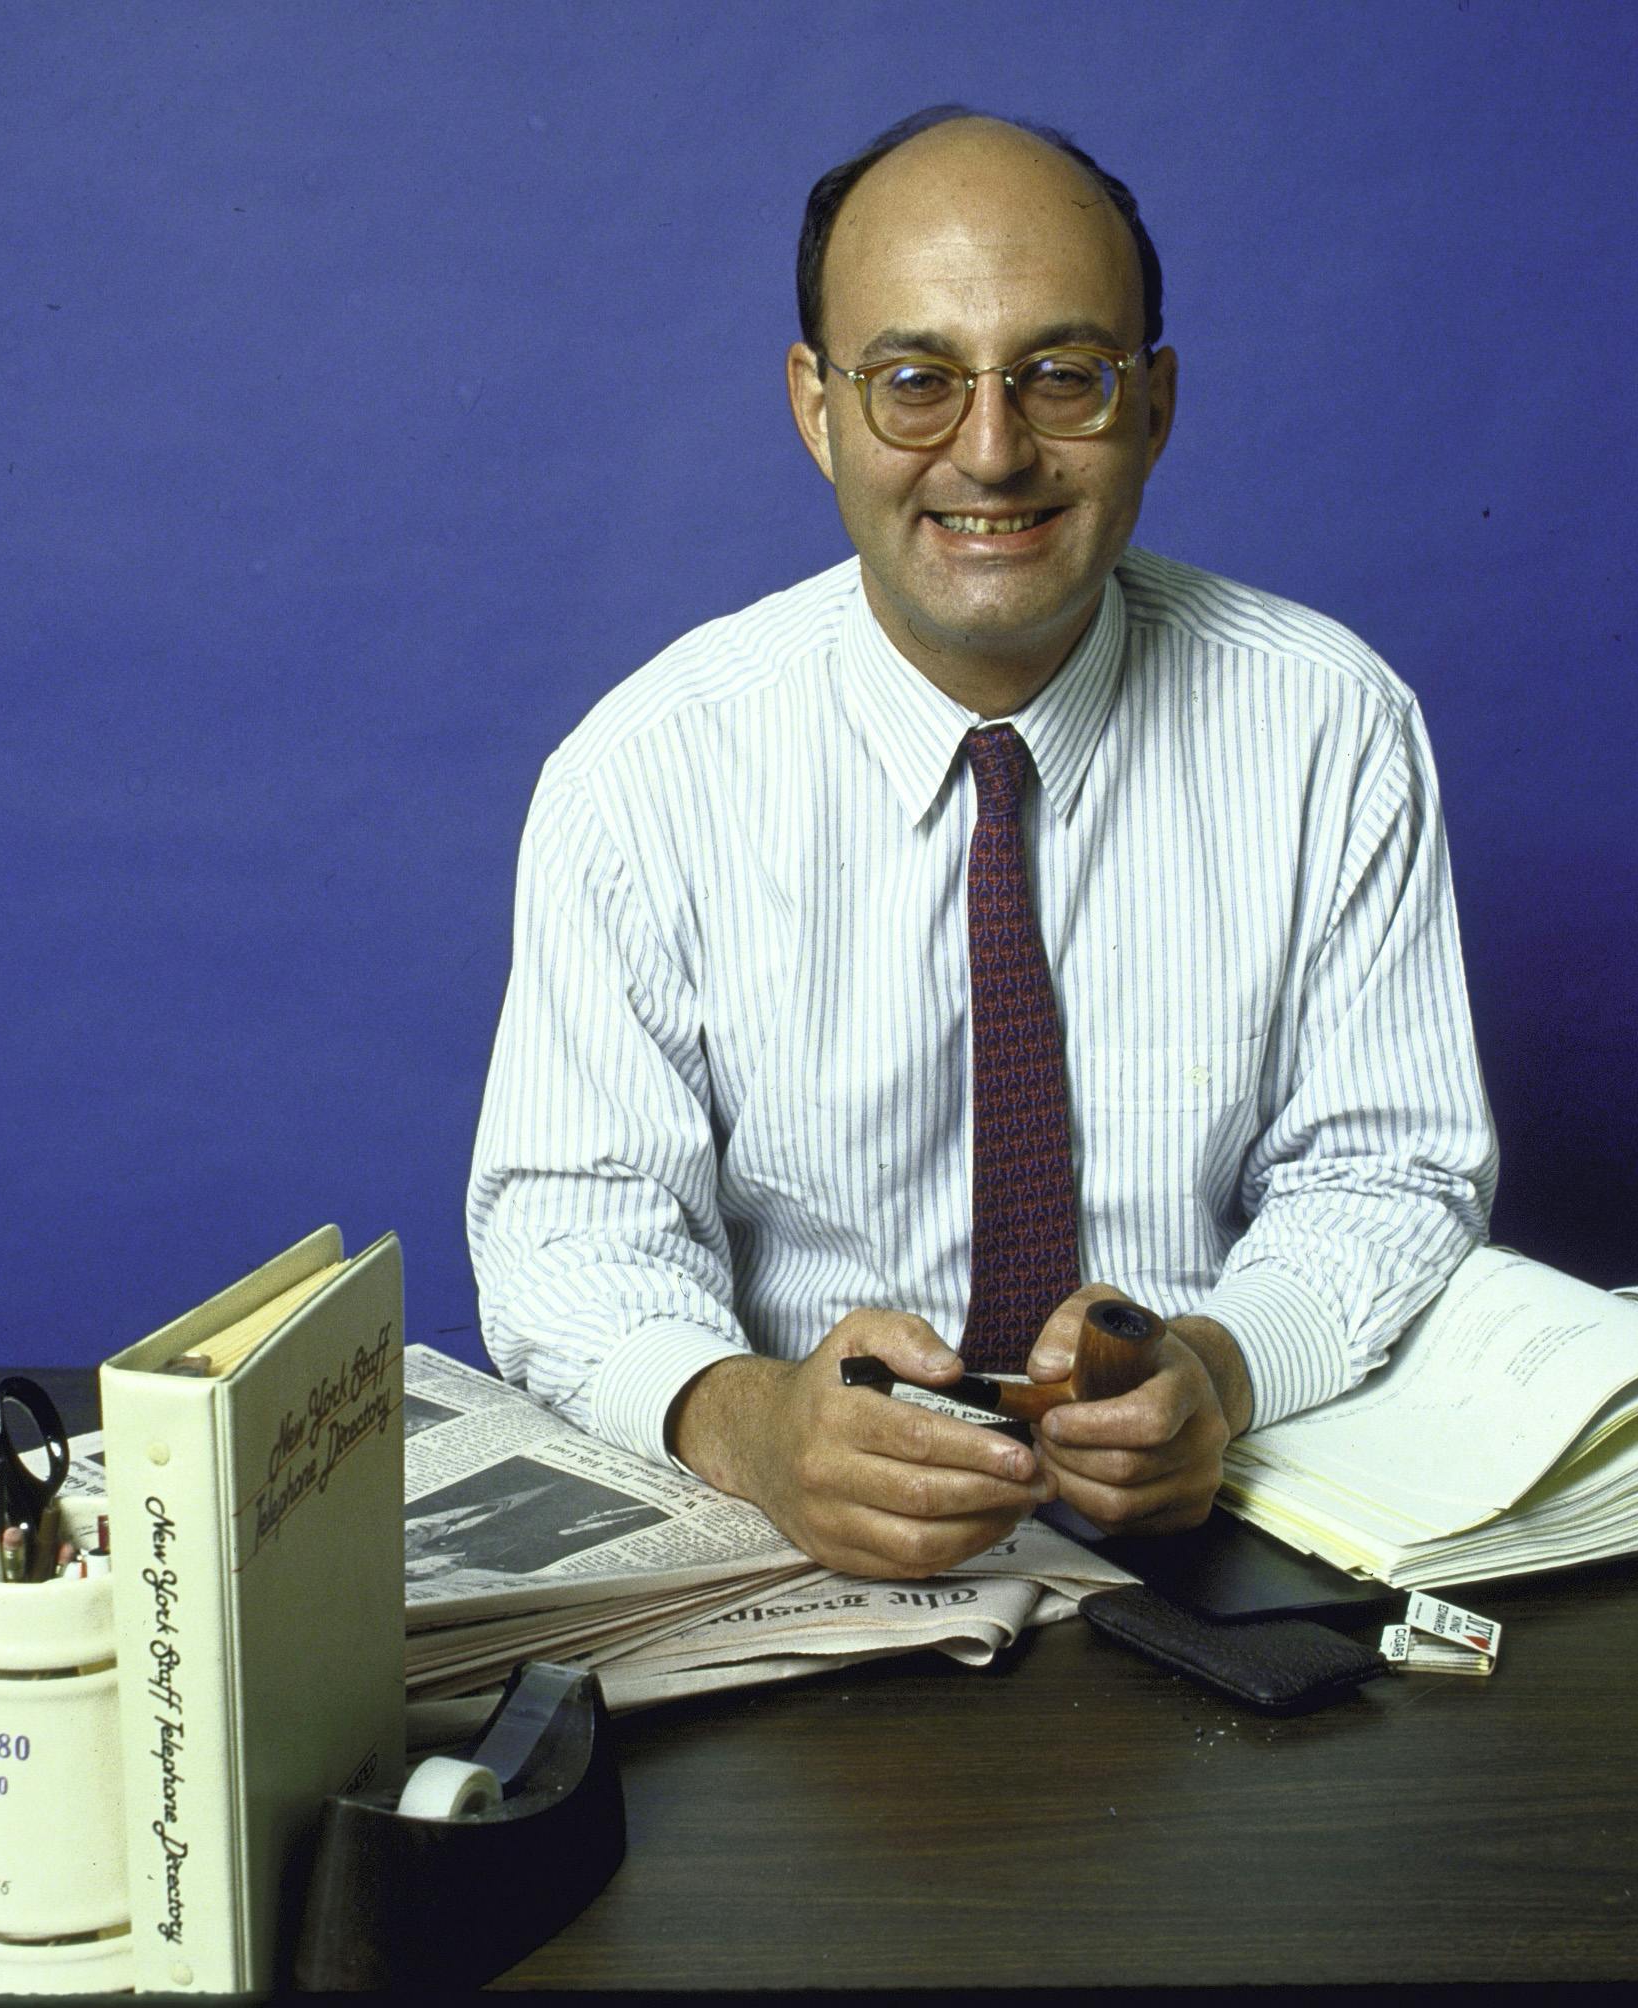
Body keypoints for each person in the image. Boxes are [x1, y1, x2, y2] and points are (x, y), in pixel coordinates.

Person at [468, 106, 1496, 1579]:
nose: (994, 452)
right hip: (799, 1553)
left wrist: (1219, 1370)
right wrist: (757, 1428)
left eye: (1063, 377)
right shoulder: (643, 775)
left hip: (1229, 1525)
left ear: (1155, 405)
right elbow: (571, 1236)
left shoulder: (1330, 725)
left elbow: (1389, 1171)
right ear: (817, 408)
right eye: (916, 383)